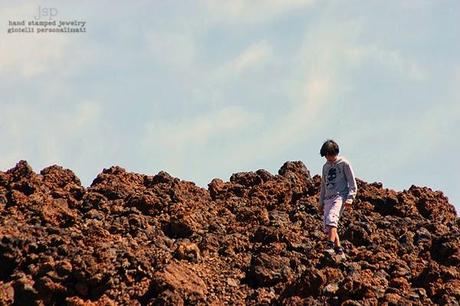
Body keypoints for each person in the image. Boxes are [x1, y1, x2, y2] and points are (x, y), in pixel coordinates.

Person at [318, 139, 357, 260]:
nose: (328, 158)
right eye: (326, 156)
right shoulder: (325, 167)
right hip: (328, 198)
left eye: (329, 155)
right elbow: (323, 185)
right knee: (328, 226)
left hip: (340, 196)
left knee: (332, 219)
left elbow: (352, 183)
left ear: (335, 152)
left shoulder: (344, 163)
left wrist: (350, 198)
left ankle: (329, 246)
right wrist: (321, 202)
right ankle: (339, 251)